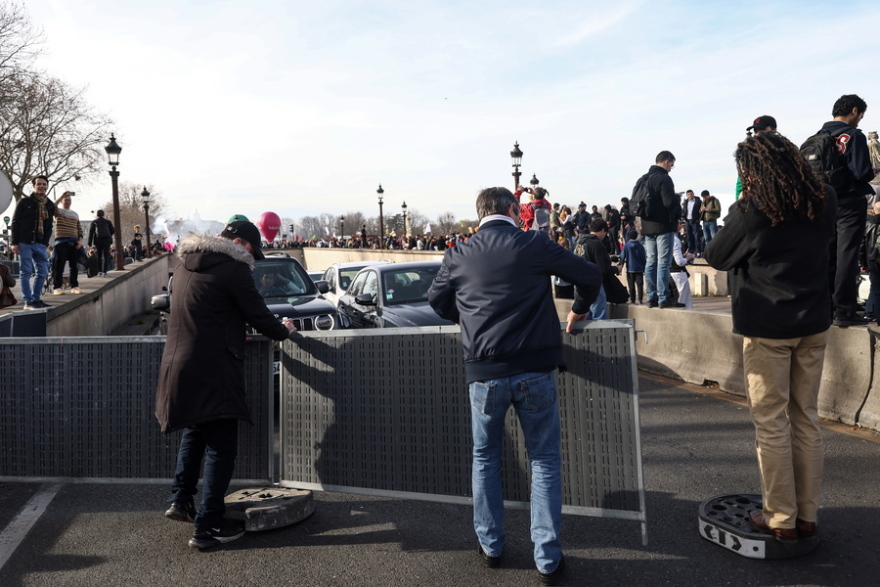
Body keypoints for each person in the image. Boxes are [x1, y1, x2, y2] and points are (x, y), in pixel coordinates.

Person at [428, 186, 601, 586]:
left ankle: (490, 545)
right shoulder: (532, 244)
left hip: (484, 372)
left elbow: (437, 300)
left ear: (479, 213)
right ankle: (547, 557)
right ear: (512, 209)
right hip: (534, 368)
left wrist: (467, 316)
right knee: (543, 460)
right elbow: (589, 275)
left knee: (485, 457)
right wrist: (578, 309)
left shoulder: (459, 253)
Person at [705, 131, 837, 544]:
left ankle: (780, 516)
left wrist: (738, 208)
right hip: (813, 321)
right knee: (806, 417)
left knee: (771, 423)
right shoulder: (825, 198)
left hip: (768, 327)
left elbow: (716, 256)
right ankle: (807, 513)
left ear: (753, 171)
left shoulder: (753, 209)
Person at [155, 220, 297, 550]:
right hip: (213, 368)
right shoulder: (233, 270)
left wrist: (233, 330)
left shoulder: (184, 265)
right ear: (236, 241)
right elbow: (260, 315)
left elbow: (206, 312)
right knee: (222, 444)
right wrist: (284, 329)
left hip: (178, 365)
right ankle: (209, 525)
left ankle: (181, 499)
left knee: (194, 431)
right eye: (250, 247)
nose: (250, 254)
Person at [817, 95, 876, 327]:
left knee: (827, 255)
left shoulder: (817, 137)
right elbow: (862, 172)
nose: (860, 120)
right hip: (849, 204)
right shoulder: (853, 136)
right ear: (854, 111)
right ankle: (845, 310)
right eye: (860, 115)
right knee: (847, 256)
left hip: (822, 204)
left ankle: (826, 308)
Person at [637, 151, 681, 308]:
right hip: (663, 226)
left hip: (647, 226)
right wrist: (677, 198)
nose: (671, 168)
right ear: (667, 161)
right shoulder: (664, 178)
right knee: (663, 263)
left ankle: (651, 297)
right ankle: (663, 297)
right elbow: (669, 203)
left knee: (650, 262)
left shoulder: (643, 179)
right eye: (672, 165)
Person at [10, 175, 56, 309]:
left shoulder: (49, 205)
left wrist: (45, 243)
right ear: (34, 186)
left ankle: (36, 299)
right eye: (39, 184)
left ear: (46, 186)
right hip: (25, 242)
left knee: (42, 272)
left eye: (44, 184)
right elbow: (15, 222)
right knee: (25, 272)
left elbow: (49, 225)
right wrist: (14, 242)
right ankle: (28, 301)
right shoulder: (24, 202)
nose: (42, 186)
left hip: (40, 244)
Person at [575, 218, 617, 320]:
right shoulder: (596, 243)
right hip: (594, 284)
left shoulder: (578, 242)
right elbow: (604, 268)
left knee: (584, 316)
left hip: (578, 285)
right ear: (603, 230)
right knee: (599, 316)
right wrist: (616, 268)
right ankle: (600, 336)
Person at [737, 115, 779, 199]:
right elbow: (739, 186)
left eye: (762, 130)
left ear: (774, 130)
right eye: (755, 131)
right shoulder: (748, 157)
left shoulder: (785, 153)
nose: (758, 134)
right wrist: (743, 195)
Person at [51, 191, 84, 295]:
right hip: (61, 241)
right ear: (62, 201)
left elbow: (79, 229)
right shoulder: (58, 211)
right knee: (59, 265)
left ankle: (74, 286)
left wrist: (80, 241)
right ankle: (57, 287)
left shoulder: (75, 214)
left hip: (74, 242)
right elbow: (51, 206)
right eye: (66, 199)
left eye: (69, 200)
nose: (68, 201)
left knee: (74, 266)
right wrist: (61, 195)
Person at [619, 229, 646, 304]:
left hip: (630, 268)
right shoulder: (640, 246)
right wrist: (644, 266)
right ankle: (640, 300)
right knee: (640, 285)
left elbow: (622, 256)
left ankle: (633, 300)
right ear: (637, 236)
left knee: (631, 286)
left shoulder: (626, 246)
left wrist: (621, 266)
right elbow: (643, 257)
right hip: (639, 268)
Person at [88, 210, 114, 277]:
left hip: (98, 240)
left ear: (97, 215)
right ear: (103, 214)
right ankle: (105, 271)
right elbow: (113, 230)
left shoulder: (94, 222)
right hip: (106, 240)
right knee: (105, 256)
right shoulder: (108, 222)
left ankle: (99, 271)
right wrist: (108, 235)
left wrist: (89, 243)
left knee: (99, 256)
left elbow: (91, 233)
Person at [681, 190, 702, 256]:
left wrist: (699, 219)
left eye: (691, 194)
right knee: (689, 237)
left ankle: (698, 251)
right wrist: (684, 218)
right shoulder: (686, 201)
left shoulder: (698, 201)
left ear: (693, 194)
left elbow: (701, 211)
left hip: (695, 221)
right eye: (689, 194)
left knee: (696, 236)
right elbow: (684, 210)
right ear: (687, 195)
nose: (690, 195)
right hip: (687, 221)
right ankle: (690, 251)